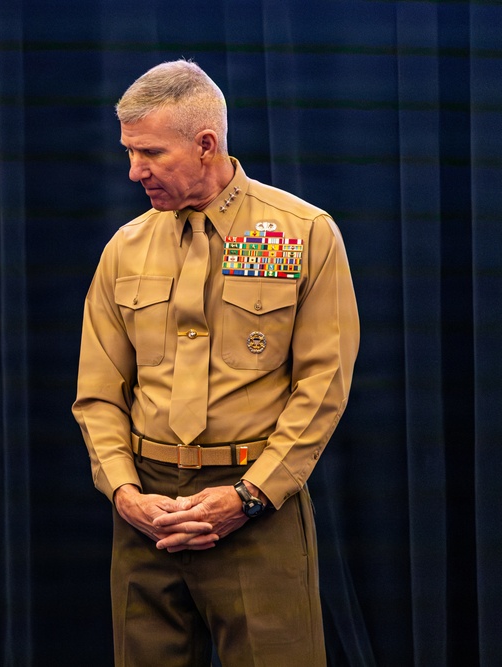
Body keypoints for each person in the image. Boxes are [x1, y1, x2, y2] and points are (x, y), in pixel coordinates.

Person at [72, 59, 360, 666]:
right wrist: (124, 492)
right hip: (146, 512)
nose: (133, 171)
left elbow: (323, 383)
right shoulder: (124, 248)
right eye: (129, 152)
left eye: (149, 152)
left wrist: (251, 495)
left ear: (206, 145)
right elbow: (98, 393)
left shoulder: (303, 233)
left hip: (255, 509)